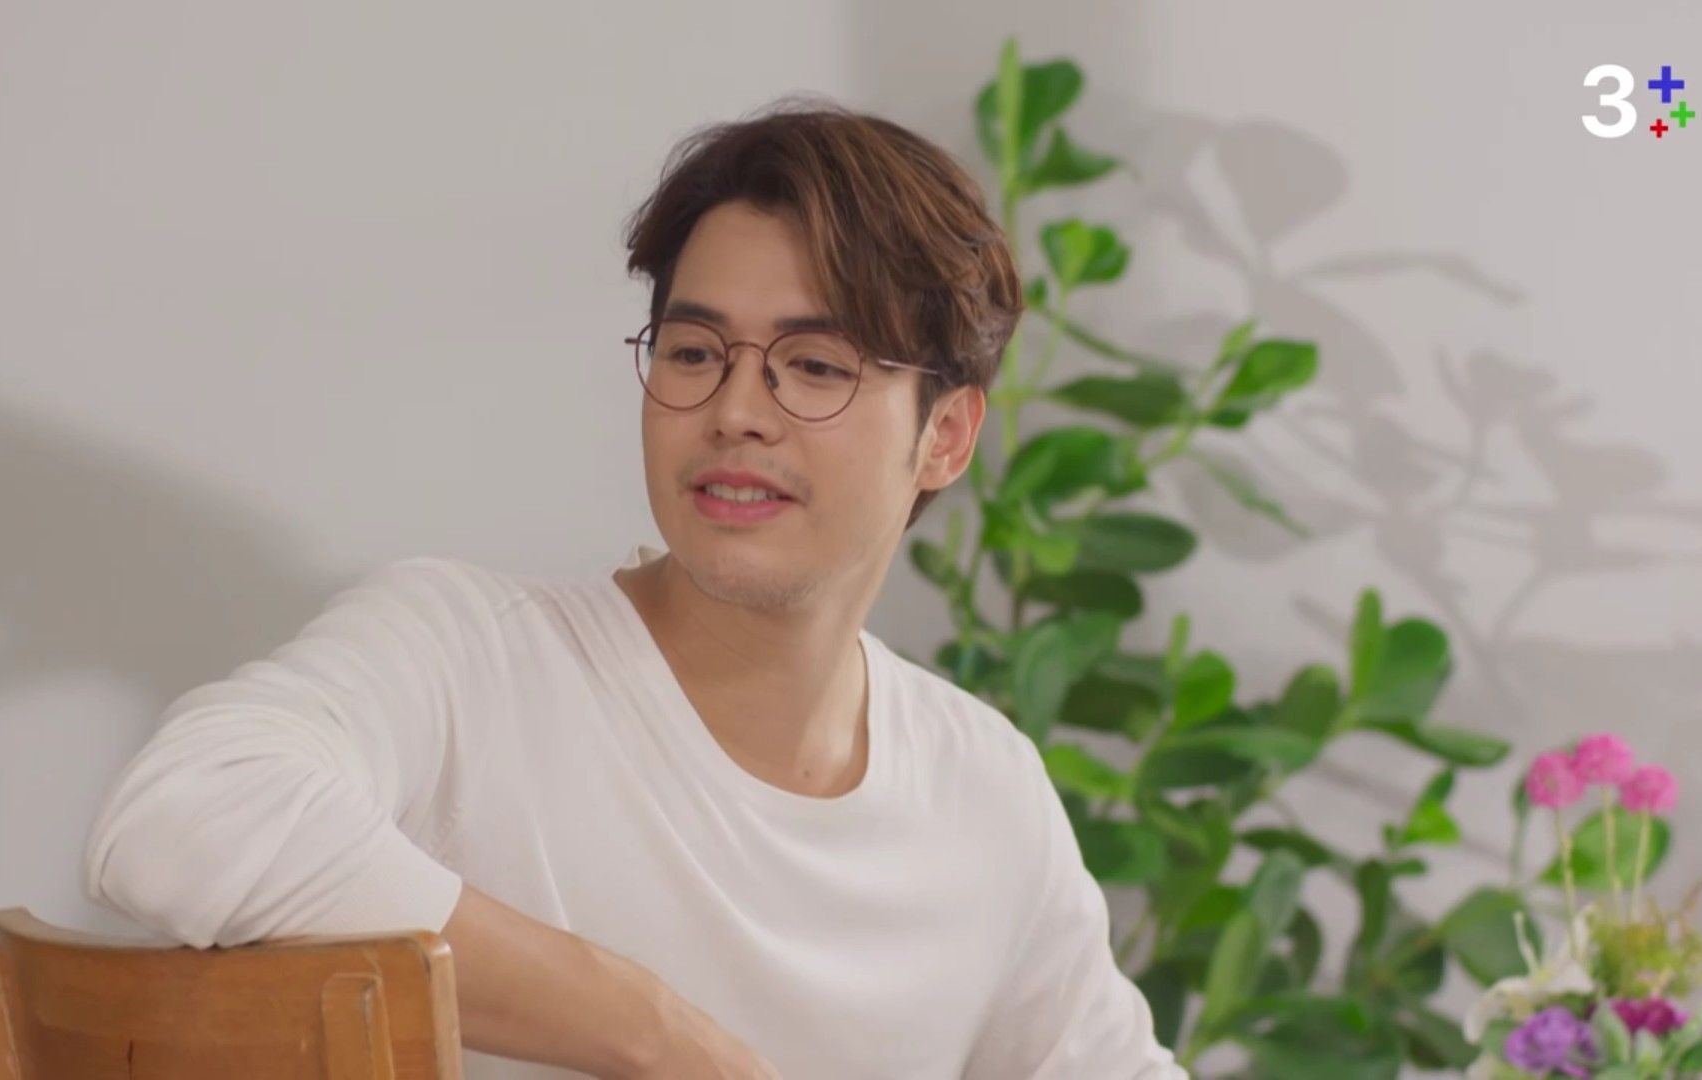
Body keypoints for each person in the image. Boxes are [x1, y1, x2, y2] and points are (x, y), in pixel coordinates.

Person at [82, 96, 1187, 1079]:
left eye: (814, 366)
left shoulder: (982, 792)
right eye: (695, 351)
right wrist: (651, 1032)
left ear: (944, 435)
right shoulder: (468, 655)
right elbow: (182, 818)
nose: (736, 413)